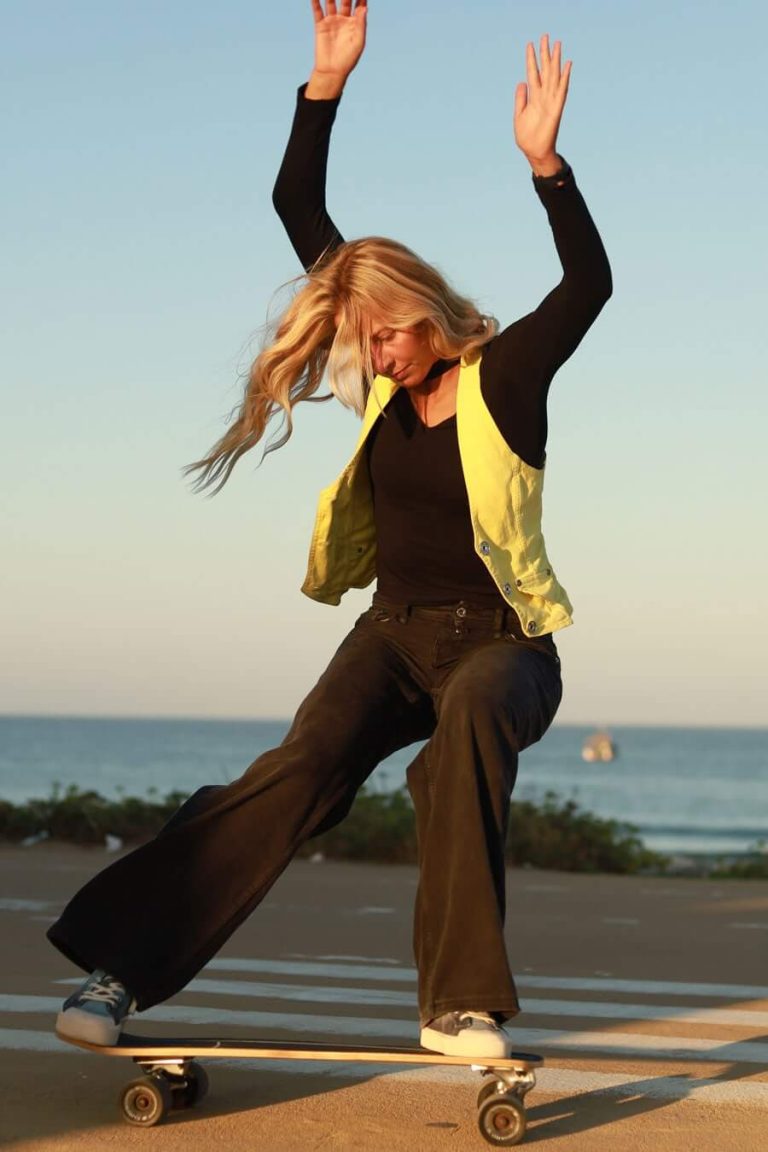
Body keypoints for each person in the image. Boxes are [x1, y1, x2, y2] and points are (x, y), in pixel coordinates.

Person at [49, 0, 611, 1060]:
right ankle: (119, 970)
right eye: (363, 340)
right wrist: (326, 83)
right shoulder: (377, 385)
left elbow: (590, 284)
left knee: (464, 742)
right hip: (393, 634)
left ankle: (458, 1005)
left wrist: (548, 166)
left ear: (424, 309)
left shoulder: (510, 377)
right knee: (300, 767)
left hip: (504, 644)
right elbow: (294, 199)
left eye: (388, 333)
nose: (378, 355)